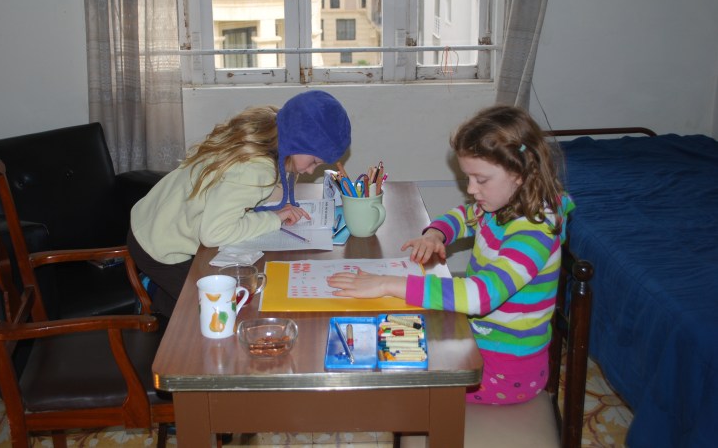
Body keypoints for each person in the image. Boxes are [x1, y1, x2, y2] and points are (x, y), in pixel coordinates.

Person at [327, 105, 574, 405]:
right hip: (478, 343)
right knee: (395, 337)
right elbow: (463, 215)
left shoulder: (534, 231)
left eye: (480, 180)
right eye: (468, 178)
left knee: (400, 383)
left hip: (505, 373)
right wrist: (436, 233)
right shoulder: (501, 206)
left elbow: (480, 296)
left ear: (520, 173)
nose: (471, 189)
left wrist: (386, 283)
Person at [129, 90, 351, 318]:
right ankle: (153, 290)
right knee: (220, 311)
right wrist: (273, 219)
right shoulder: (257, 168)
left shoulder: (269, 124)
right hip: (159, 246)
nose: (311, 170)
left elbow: (241, 191)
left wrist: (276, 206)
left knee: (223, 299)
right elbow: (214, 234)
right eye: (314, 161)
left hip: (153, 215)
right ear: (298, 140)